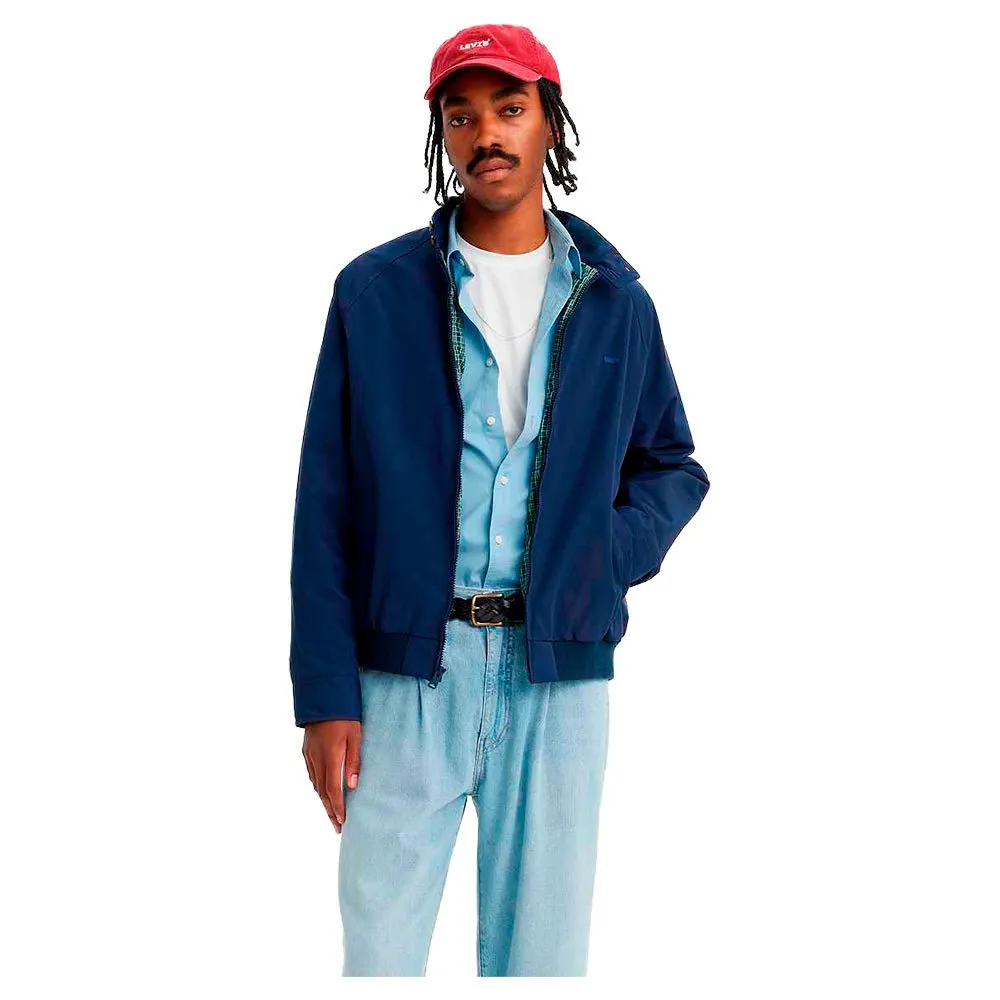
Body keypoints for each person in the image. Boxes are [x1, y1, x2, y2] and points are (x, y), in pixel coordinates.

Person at [289, 23, 711, 977]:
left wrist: (601, 559)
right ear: (441, 134)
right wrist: (323, 694)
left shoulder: (615, 300)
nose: (486, 134)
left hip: (557, 679)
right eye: (461, 115)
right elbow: (324, 507)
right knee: (380, 959)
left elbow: (672, 465)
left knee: (542, 964)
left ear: (549, 123)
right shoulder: (373, 294)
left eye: (510, 109)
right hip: (405, 676)